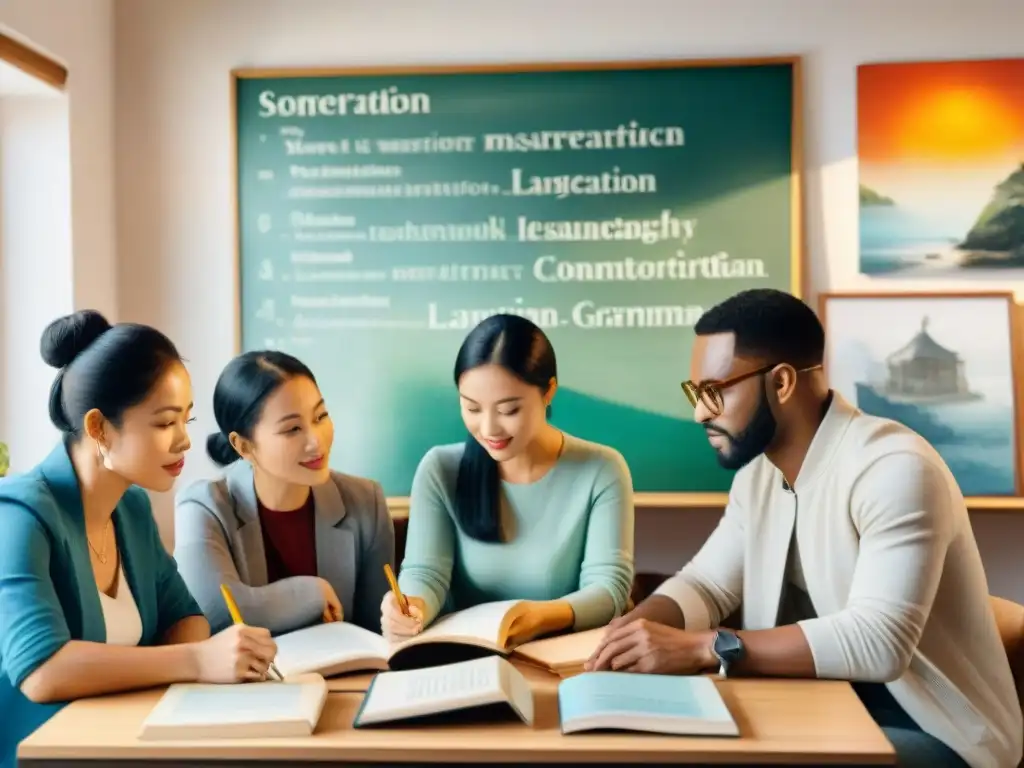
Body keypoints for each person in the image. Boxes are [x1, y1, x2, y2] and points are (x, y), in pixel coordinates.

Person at [585, 289, 1022, 768]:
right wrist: (632, 632)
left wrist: (701, 647)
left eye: (715, 391)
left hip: (940, 735)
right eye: (695, 393)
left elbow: (879, 643)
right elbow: (706, 585)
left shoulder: (895, 467)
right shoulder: (759, 477)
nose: (700, 413)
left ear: (783, 383)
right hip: (822, 706)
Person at [0, 311, 277, 768]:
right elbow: (42, 671)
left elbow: (185, 617)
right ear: (98, 427)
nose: (185, 441)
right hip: (37, 753)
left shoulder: (130, 508)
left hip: (121, 742)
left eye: (186, 420)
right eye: (165, 423)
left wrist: (196, 657)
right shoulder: (18, 514)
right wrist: (196, 662)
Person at [382, 313, 635, 646]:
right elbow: (426, 575)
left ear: (549, 392)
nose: (488, 429)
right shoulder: (440, 469)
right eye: (472, 408)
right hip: (464, 662)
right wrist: (411, 607)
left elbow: (609, 589)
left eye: (508, 410)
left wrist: (540, 617)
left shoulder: (601, 468)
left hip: (563, 662)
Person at [174, 350, 395, 635]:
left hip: (346, 677)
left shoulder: (366, 501)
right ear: (243, 446)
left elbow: (376, 627)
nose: (316, 441)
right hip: (251, 678)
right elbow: (215, 612)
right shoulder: (202, 506)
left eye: (320, 416)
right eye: (292, 429)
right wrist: (311, 594)